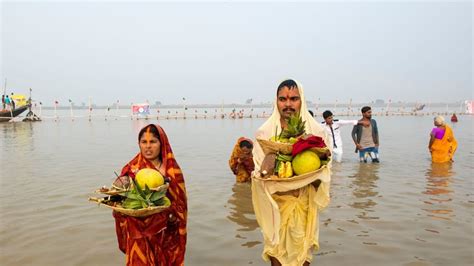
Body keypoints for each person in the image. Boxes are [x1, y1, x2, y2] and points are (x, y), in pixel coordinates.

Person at [252, 79, 331, 266]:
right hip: (276, 207)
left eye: (293, 98)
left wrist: (312, 168)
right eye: (283, 99)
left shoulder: (317, 133)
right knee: (276, 257)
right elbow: (259, 175)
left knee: (303, 257)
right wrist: (271, 160)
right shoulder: (264, 134)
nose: (288, 104)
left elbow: (324, 175)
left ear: (301, 100)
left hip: (305, 206)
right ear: (276, 101)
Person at [112, 124, 187, 266]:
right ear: (138, 144)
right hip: (137, 231)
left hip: (166, 230)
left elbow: (180, 203)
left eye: (153, 142)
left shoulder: (172, 171)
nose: (148, 146)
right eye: (143, 142)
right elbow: (120, 200)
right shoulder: (131, 169)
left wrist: (171, 215)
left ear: (162, 143)